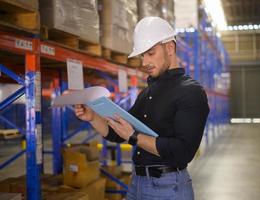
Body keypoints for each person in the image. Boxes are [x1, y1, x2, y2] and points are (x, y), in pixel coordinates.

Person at [74, 16, 209, 200]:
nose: (145, 62)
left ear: (170, 47)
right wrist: (93, 117)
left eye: (150, 53)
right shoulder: (147, 94)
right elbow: (118, 133)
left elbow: (182, 152)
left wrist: (134, 137)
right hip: (137, 183)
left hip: (168, 188)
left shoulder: (191, 92)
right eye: (142, 55)